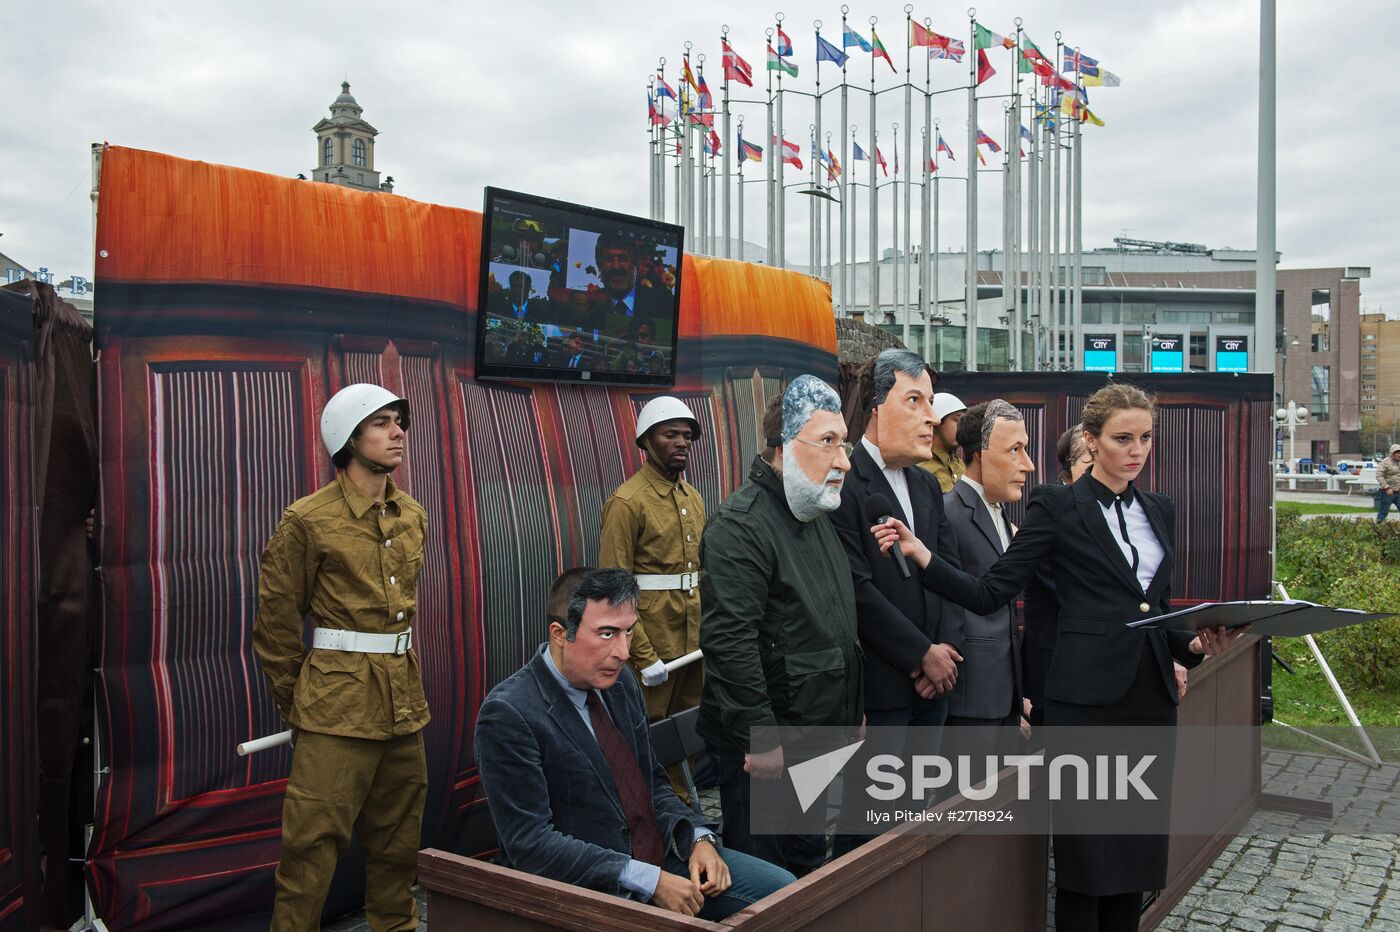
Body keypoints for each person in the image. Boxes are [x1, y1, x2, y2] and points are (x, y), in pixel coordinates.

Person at [871, 383, 1248, 932]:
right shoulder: (1056, 504)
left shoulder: (1159, 510)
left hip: (1148, 703)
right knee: (1085, 864)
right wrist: (922, 554)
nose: (1136, 449)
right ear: (1091, 442)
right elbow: (990, 591)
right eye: (1122, 438)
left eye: (1145, 437)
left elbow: (1154, 613)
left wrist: (1193, 643)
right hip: (1085, 706)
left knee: (1134, 860)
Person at [474, 568, 794, 919]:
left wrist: (699, 838)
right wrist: (648, 880)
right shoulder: (509, 714)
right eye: (607, 634)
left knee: (785, 894)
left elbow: (651, 781)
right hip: (591, 891)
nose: (624, 651)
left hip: (660, 856)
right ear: (560, 634)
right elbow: (530, 844)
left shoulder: (621, 684)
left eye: (629, 631)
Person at [253, 383, 429, 932]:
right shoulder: (307, 520)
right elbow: (276, 626)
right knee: (310, 849)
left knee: (400, 843)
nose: (398, 432)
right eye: (381, 423)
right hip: (335, 706)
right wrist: (303, 704)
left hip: (403, 701)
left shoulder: (412, 514)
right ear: (347, 437)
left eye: (398, 421)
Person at [698, 375, 863, 878]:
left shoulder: (813, 516)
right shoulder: (740, 526)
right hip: (770, 752)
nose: (843, 461)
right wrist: (760, 735)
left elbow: (834, 629)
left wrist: (852, 711)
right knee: (767, 882)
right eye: (828, 442)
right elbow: (730, 641)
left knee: (809, 863)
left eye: (845, 443)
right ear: (781, 448)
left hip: (816, 737)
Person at [827, 351, 963, 833]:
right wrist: (919, 654)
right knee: (869, 829)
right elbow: (855, 591)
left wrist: (942, 652)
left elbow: (949, 573)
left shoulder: (926, 487)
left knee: (914, 825)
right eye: (915, 400)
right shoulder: (843, 484)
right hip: (881, 693)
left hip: (936, 685)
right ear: (877, 408)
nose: (931, 415)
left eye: (930, 401)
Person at [599, 397, 706, 798]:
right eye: (670, 434)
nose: (682, 442)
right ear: (646, 441)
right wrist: (642, 656)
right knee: (647, 733)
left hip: (692, 643)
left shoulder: (692, 498)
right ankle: (654, 813)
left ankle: (680, 811)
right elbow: (615, 584)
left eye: (687, 435)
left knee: (689, 729)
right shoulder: (627, 502)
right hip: (651, 643)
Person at [942, 401, 1035, 757]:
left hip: (1005, 698)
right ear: (980, 454)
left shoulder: (999, 512)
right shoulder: (949, 513)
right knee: (969, 808)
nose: (1028, 464)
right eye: (1015, 450)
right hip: (969, 701)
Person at [919, 392, 968, 493]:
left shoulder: (961, 465)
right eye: (957, 420)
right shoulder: (921, 467)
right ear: (936, 423)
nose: (962, 427)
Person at [1376, 444, 1400, 523]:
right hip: (1387, 492)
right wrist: (1387, 487)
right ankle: (1378, 526)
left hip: (1399, 491)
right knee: (1384, 512)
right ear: (1392, 453)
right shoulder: (1385, 462)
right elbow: (1379, 475)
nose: (1399, 455)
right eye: (1397, 453)